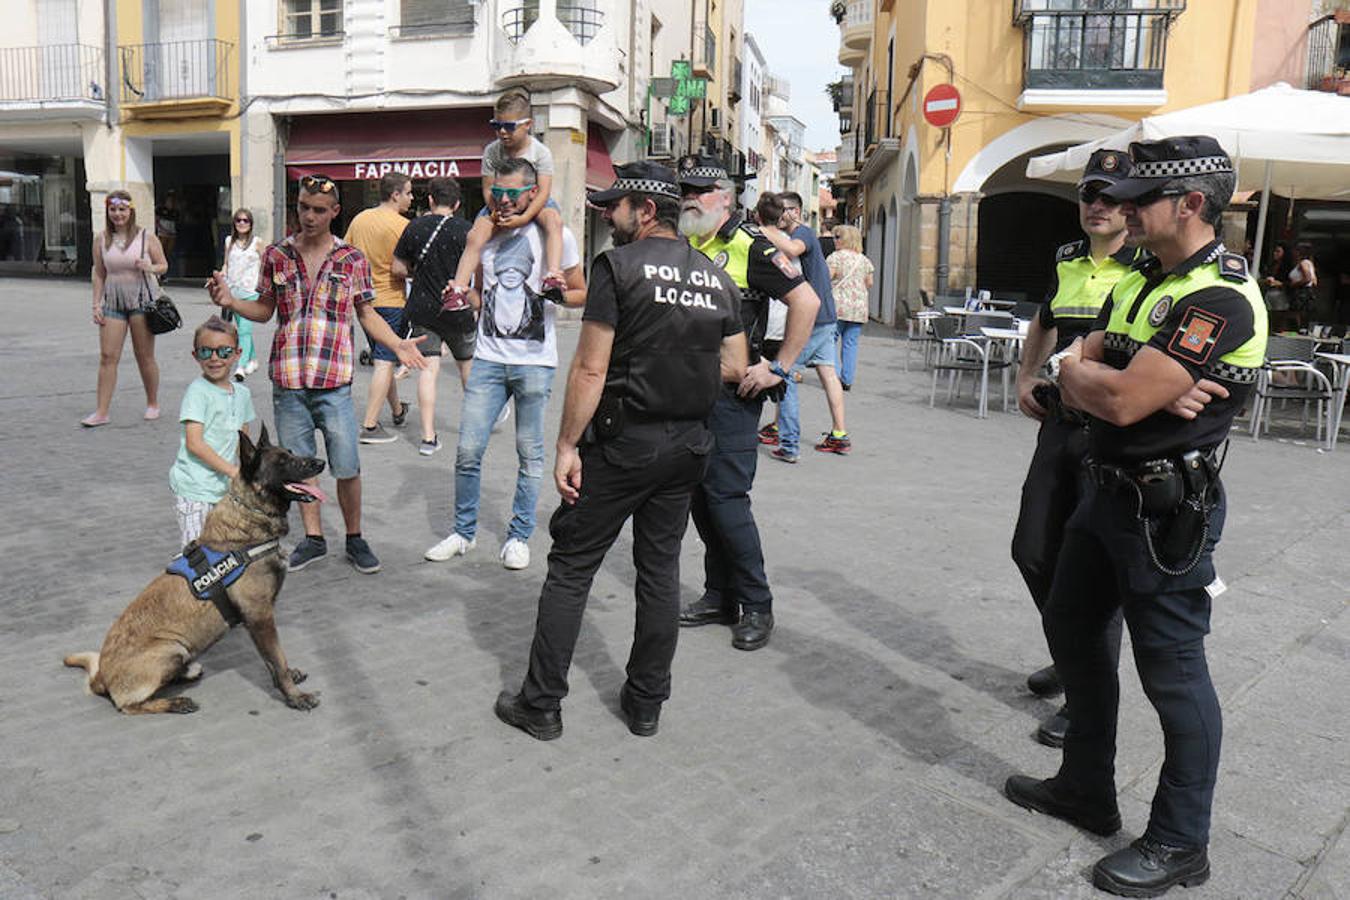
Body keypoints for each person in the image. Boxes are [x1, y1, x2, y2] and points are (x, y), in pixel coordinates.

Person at [1003, 136, 1267, 898]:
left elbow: (1115, 395)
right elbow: (1079, 361)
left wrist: (1104, 379)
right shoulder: (1145, 274)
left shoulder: (1218, 296)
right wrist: (1095, 374)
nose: (1119, 211)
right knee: (1073, 630)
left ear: (1189, 204)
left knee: (1174, 676)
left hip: (1165, 512)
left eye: (1138, 200)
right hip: (1103, 489)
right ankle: (1085, 787)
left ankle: (1182, 843)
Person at [493, 162, 749, 741]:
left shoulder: (618, 267)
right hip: (687, 445)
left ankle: (541, 704)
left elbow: (590, 366)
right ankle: (646, 702)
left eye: (616, 205)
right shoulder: (715, 276)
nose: (608, 215)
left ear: (647, 210)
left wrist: (565, 445)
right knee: (659, 572)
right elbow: (734, 365)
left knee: (572, 567)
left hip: (622, 442)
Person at [206, 173, 428, 575]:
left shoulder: (351, 259)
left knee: (347, 465)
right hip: (288, 382)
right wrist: (232, 302)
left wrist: (397, 345)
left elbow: (365, 312)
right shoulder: (276, 255)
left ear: (335, 212)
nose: (309, 216)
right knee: (300, 467)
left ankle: (355, 538)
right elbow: (266, 309)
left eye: (319, 210)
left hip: (334, 384)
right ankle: (313, 539)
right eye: (304, 207)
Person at [1011, 149, 1141, 749]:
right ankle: (1071, 654)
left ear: (1131, 205)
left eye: (1111, 196)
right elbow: (1044, 320)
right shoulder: (1065, 258)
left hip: (1112, 433)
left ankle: (1087, 692)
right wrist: (1023, 375)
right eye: (1091, 193)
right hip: (1059, 424)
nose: (1097, 205)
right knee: (1033, 548)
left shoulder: (1149, 266)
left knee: (1092, 566)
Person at [674, 154, 820, 651]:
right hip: (689, 390)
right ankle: (720, 596)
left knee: (726, 499)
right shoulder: (689, 241)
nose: (689, 196)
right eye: (685, 188)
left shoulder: (750, 245)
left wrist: (778, 366)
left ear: (726, 197)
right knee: (700, 499)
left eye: (700, 189)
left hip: (734, 394)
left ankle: (757, 604)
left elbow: (808, 302)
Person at [424, 158, 586, 571]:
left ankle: (518, 536)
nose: (505, 201)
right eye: (498, 193)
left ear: (532, 193)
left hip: (536, 362)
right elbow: (481, 295)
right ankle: (463, 532)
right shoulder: (486, 235)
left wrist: (555, 296)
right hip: (488, 360)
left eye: (513, 194)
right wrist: (461, 295)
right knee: (467, 450)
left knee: (530, 455)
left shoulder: (557, 233)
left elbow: (582, 292)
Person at [444, 91, 565, 303]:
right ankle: (459, 289)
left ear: (527, 124)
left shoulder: (541, 152)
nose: (502, 132)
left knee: (554, 222)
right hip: (499, 202)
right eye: (496, 125)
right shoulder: (492, 151)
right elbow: (488, 189)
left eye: (509, 126)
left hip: (533, 201)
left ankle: (553, 275)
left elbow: (544, 191)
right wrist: (497, 212)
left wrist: (524, 218)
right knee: (475, 235)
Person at [758, 191, 850, 460]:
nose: (780, 215)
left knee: (784, 373)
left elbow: (792, 250)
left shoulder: (804, 234)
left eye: (784, 210)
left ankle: (788, 444)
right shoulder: (793, 235)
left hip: (813, 317)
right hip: (827, 316)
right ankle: (839, 434)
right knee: (828, 374)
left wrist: (763, 228)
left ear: (796, 212)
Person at [392, 176, 474, 456]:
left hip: (423, 309)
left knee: (428, 371)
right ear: (458, 203)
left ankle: (428, 437)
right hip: (457, 308)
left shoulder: (414, 227)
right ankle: (476, 427)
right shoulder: (467, 230)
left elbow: (398, 268)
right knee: (467, 368)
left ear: (429, 199)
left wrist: (420, 272)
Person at [168, 316, 256, 547]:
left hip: (223, 488)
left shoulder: (243, 394)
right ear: (196, 355)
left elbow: (243, 443)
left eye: (223, 351)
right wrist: (233, 472)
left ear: (237, 354)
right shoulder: (197, 392)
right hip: (194, 487)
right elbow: (194, 443)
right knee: (197, 552)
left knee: (225, 547)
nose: (215, 358)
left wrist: (251, 475)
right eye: (206, 352)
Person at [82, 190, 167, 427]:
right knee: (108, 357)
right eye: (113, 210)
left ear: (130, 211)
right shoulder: (101, 239)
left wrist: (150, 267)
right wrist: (96, 304)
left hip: (141, 302)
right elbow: (99, 273)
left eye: (122, 209)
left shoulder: (146, 237)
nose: (118, 214)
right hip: (113, 303)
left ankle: (152, 403)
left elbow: (163, 265)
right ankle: (101, 411)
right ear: (108, 212)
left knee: (144, 355)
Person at [345, 172, 414, 444]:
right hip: (391, 300)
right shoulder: (403, 226)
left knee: (382, 357)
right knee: (385, 362)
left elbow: (346, 255)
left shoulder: (360, 219)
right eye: (408, 193)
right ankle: (370, 425)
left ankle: (397, 410)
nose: (411, 198)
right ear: (395, 194)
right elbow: (404, 267)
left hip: (363, 302)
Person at [826, 224, 873, 392]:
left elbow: (827, 277)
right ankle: (847, 379)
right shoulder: (864, 260)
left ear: (846, 239)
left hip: (838, 306)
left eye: (838, 237)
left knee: (830, 340)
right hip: (858, 308)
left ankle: (835, 377)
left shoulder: (835, 257)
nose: (834, 240)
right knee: (851, 343)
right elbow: (869, 283)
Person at [222, 208, 262, 381]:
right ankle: (252, 360)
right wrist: (221, 276)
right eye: (238, 220)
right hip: (233, 292)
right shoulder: (229, 241)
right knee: (242, 330)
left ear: (251, 224)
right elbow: (226, 264)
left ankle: (240, 367)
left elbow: (267, 262)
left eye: (245, 220)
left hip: (250, 292)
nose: (242, 223)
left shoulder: (257, 242)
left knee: (244, 331)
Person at [1286, 242, 1318, 331]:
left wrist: (1294, 284)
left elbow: (1308, 278)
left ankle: (1297, 329)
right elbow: (1315, 281)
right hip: (1308, 291)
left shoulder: (1303, 264)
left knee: (1296, 313)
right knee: (1302, 314)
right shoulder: (1310, 264)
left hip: (1301, 292)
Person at [1260, 242, 1291, 332]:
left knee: (1278, 316)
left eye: (1278, 251)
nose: (1275, 253)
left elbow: (1290, 282)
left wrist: (1280, 283)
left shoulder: (1287, 267)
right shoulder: (1272, 265)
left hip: (1280, 294)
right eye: (1274, 251)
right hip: (1269, 292)